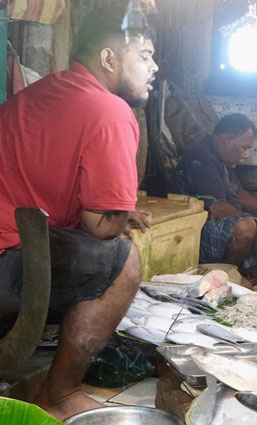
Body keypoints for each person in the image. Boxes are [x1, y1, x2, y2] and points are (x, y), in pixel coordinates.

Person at [0, 6, 157, 420]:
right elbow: (100, 226)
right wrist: (119, 214)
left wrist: (122, 209)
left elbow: (45, 184)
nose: (154, 67)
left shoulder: (36, 94)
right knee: (123, 261)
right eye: (144, 55)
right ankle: (60, 392)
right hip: (6, 266)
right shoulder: (110, 111)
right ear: (109, 59)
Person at [174, 114, 257, 270]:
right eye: (244, 148)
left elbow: (238, 193)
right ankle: (227, 274)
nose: (246, 155)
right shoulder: (202, 160)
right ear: (228, 140)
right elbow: (217, 208)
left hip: (212, 226)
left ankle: (246, 269)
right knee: (245, 227)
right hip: (191, 234)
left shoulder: (220, 157)